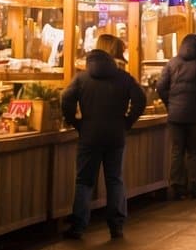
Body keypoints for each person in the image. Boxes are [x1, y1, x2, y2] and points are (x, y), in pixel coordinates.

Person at [61, 34, 146, 239]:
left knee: (84, 181)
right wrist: (127, 121)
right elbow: (141, 99)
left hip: (89, 133)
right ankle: (116, 226)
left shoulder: (81, 78)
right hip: (116, 134)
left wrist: (75, 121)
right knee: (114, 179)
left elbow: (66, 99)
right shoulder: (124, 78)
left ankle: (79, 226)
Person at [157, 34, 196, 200]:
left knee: (177, 150)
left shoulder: (172, 62)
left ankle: (177, 185)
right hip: (195, 114)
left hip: (175, 114)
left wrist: (170, 103)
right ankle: (195, 186)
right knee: (194, 151)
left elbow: (160, 86)